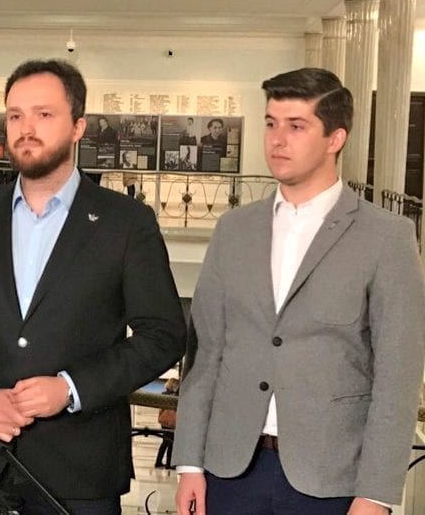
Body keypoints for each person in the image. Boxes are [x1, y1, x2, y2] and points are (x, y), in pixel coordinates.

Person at [0, 59, 186, 514]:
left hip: (79, 472)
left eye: (44, 114)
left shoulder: (125, 223)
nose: (26, 128)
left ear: (78, 127)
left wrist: (71, 388)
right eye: (15, 115)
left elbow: (163, 334)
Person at [175, 67, 425, 515]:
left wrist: (376, 494)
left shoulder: (387, 237)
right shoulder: (233, 229)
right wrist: (190, 463)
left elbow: (397, 378)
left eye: (296, 126)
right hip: (229, 471)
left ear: (335, 139)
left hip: (330, 479)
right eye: (271, 123)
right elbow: (205, 354)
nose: (277, 140)